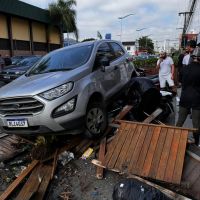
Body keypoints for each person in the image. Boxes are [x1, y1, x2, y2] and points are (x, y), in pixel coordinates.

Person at [176, 46, 200, 146]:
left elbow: (180, 80)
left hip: (184, 97)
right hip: (197, 99)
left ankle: (175, 138)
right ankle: (196, 143)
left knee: (180, 121)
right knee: (196, 124)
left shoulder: (185, 69)